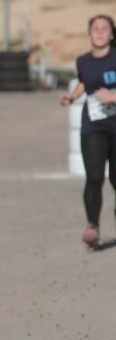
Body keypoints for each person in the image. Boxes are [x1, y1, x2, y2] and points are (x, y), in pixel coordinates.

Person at [61, 14, 116, 248]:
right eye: (95, 28)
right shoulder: (83, 61)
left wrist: (113, 96)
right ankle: (92, 226)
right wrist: (73, 96)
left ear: (112, 34)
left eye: (105, 29)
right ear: (89, 33)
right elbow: (85, 81)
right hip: (93, 125)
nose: (100, 32)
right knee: (94, 177)